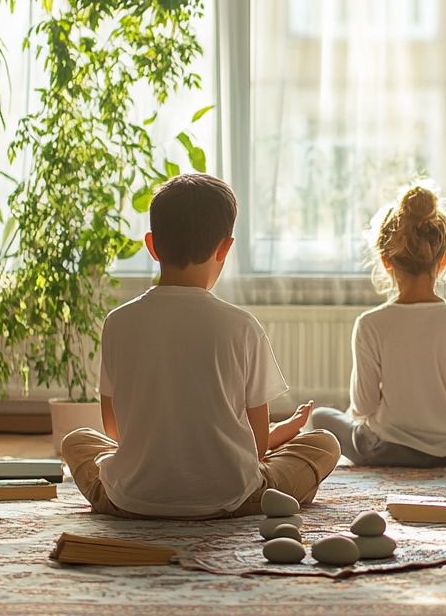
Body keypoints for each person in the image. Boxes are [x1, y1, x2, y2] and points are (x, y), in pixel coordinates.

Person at [60, 173, 341, 519]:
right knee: (324, 443)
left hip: (130, 499)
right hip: (233, 499)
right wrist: (278, 435)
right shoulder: (242, 326)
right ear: (225, 247)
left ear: (151, 245)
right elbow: (256, 447)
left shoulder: (117, 322)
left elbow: (114, 429)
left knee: (77, 442)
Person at [312, 184, 446, 467]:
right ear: (445, 259)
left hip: (388, 450)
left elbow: (363, 406)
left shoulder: (370, 324)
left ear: (386, 261)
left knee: (320, 417)